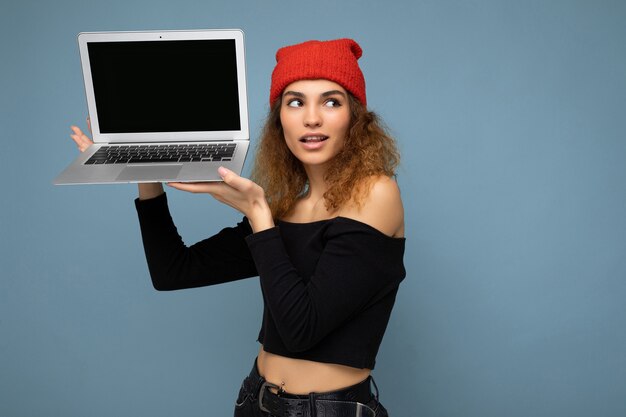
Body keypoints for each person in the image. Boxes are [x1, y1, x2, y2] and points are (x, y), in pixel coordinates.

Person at [71, 38, 405, 417]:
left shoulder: (376, 194)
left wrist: (259, 216)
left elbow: (301, 331)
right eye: (295, 101)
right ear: (280, 119)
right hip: (254, 401)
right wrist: (145, 171)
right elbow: (172, 271)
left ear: (356, 118)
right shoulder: (285, 209)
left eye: (331, 101)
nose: (312, 118)